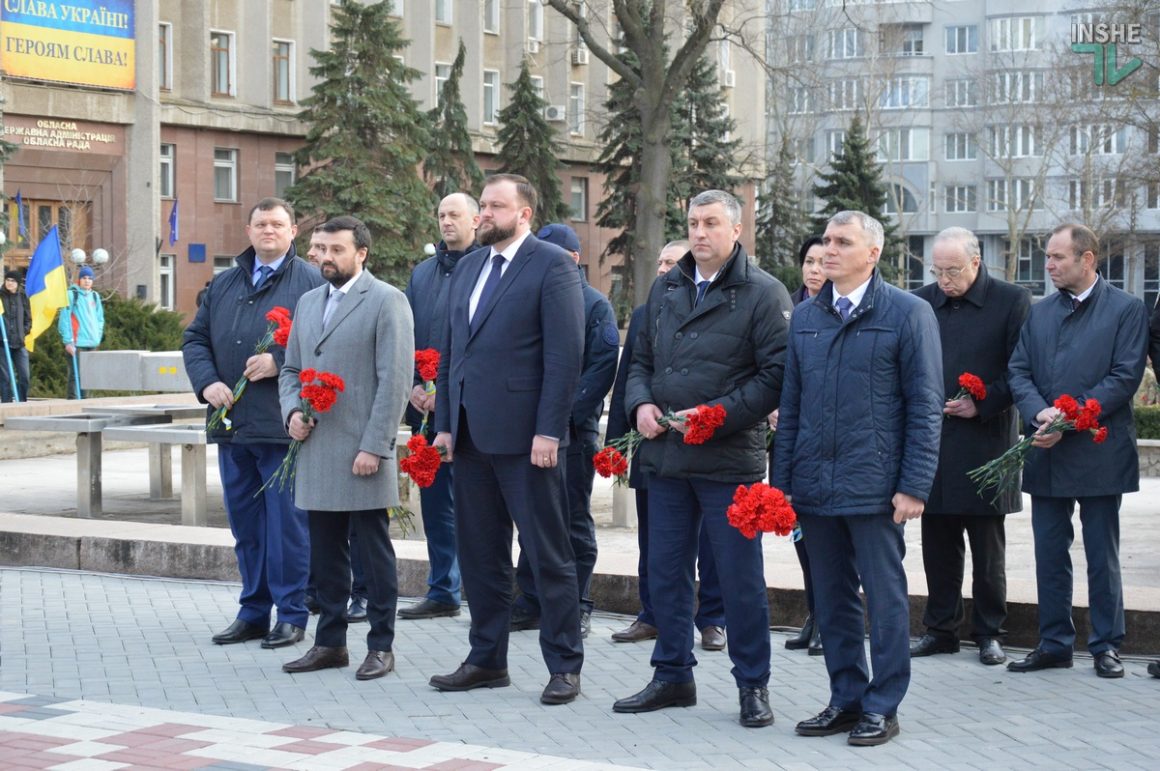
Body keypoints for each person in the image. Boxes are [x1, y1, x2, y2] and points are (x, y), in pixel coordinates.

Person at [617, 189, 792, 728]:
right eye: (693, 222)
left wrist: (718, 415)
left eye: (711, 223)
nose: (699, 232)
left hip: (726, 462)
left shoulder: (763, 293)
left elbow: (776, 376)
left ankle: (752, 685)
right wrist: (640, 402)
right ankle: (672, 675)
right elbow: (640, 358)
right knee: (667, 574)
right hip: (666, 457)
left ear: (735, 230)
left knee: (739, 581)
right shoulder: (667, 286)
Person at [772, 210, 943, 746]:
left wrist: (914, 485)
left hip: (875, 488)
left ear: (873, 253)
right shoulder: (806, 317)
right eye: (825, 240)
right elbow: (792, 406)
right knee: (831, 596)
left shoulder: (908, 313)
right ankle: (845, 698)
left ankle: (883, 705)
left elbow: (925, 405)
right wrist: (782, 485)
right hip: (816, 489)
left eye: (842, 242)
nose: (828, 250)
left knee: (885, 598)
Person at [428, 173, 586, 706]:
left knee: (547, 555)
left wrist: (549, 430)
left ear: (524, 214)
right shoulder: (470, 265)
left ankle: (564, 665)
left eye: (495, 206)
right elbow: (452, 353)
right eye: (482, 206)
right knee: (480, 554)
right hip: (470, 437)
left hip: (527, 439)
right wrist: (445, 424)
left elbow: (565, 357)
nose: (483, 214)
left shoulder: (551, 266)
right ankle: (486, 659)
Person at [1006, 223, 1148, 679]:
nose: (1048, 265)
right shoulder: (1040, 312)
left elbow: (1124, 378)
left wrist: (1069, 421)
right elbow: (1019, 370)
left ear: (1087, 259)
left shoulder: (1126, 310)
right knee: (1049, 550)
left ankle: (1106, 644)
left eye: (1057, 257)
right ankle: (1054, 643)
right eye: (1047, 257)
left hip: (1098, 451)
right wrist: (1039, 414)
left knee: (1101, 553)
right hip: (1047, 447)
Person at [182, 197, 324, 650]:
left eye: (277, 224)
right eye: (261, 223)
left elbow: (327, 342)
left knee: (287, 527)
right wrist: (207, 384)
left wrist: (279, 358)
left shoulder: (311, 281)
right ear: (248, 231)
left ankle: (293, 613)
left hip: (282, 427)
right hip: (232, 424)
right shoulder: (225, 282)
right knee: (246, 526)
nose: (269, 230)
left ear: (293, 231)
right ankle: (252, 611)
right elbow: (195, 338)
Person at [279, 215, 413, 681]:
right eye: (319, 248)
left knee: (373, 556)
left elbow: (394, 381)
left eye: (336, 249)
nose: (325, 257)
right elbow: (291, 369)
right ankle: (330, 643)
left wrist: (375, 446)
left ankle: (381, 645)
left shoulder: (386, 301)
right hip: (316, 449)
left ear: (361, 254)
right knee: (325, 555)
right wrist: (293, 413)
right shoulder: (308, 301)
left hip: (362, 452)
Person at [910, 228, 1030, 666]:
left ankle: (989, 632)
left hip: (986, 441)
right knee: (937, 540)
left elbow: (1021, 369)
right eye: (938, 271)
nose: (944, 280)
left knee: (987, 546)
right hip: (934, 440)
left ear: (976, 263)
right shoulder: (922, 302)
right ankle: (940, 629)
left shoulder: (1010, 301)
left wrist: (982, 403)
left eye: (953, 271)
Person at [607, 241, 728, 652]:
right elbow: (629, 376)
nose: (662, 269)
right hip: (652, 443)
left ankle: (711, 619)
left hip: (706, 446)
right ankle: (652, 614)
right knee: (654, 539)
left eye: (671, 263)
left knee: (710, 540)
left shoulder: (721, 308)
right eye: (659, 262)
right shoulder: (647, 313)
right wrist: (617, 445)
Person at [511, 222, 618, 639]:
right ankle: (532, 599)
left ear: (572, 259)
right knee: (533, 519)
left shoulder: (594, 305)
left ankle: (580, 602)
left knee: (572, 520)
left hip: (573, 434)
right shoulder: (531, 299)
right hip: (531, 430)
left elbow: (600, 369)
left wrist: (559, 417)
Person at [399, 192, 478, 621]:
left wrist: (447, 391)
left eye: (455, 215)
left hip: (471, 411)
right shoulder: (423, 274)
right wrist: (414, 383)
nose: (446, 222)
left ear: (476, 220)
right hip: (425, 412)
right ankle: (442, 589)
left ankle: (480, 588)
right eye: (442, 215)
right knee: (434, 502)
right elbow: (409, 335)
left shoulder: (488, 268)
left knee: (476, 503)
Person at [774, 235, 826, 655]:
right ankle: (814, 611)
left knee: (827, 539)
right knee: (801, 538)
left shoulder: (833, 311)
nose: (814, 269)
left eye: (822, 262)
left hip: (824, 438)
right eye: (808, 261)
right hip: (789, 439)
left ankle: (830, 616)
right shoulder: (786, 308)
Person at [58, 265, 105, 399]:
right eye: (84, 278)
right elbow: (64, 319)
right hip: (77, 343)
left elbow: (100, 319)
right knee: (76, 375)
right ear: (79, 280)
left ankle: (86, 402)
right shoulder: (72, 294)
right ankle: (73, 404)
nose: (87, 280)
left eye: (90, 278)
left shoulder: (95, 296)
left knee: (89, 376)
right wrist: (68, 341)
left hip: (92, 343)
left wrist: (97, 336)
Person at [1, 270, 32, 402]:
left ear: (18, 283)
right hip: (2, 344)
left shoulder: (22, 296)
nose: (9, 283)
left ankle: (21, 403)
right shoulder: (0, 296)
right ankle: (6, 405)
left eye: (13, 281)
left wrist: (23, 332)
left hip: (19, 344)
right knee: (6, 378)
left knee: (24, 376)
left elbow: (28, 318)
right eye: (8, 280)